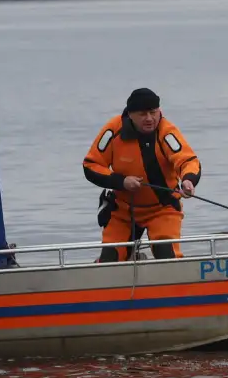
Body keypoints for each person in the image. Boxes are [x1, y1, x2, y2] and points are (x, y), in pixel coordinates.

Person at [83, 88, 202, 263]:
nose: (149, 118)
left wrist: (188, 180)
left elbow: (187, 160)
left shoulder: (167, 131)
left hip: (162, 208)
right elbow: (91, 165)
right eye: (142, 114)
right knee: (110, 259)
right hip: (123, 210)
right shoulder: (113, 130)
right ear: (130, 114)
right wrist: (121, 181)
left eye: (153, 112)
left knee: (166, 255)